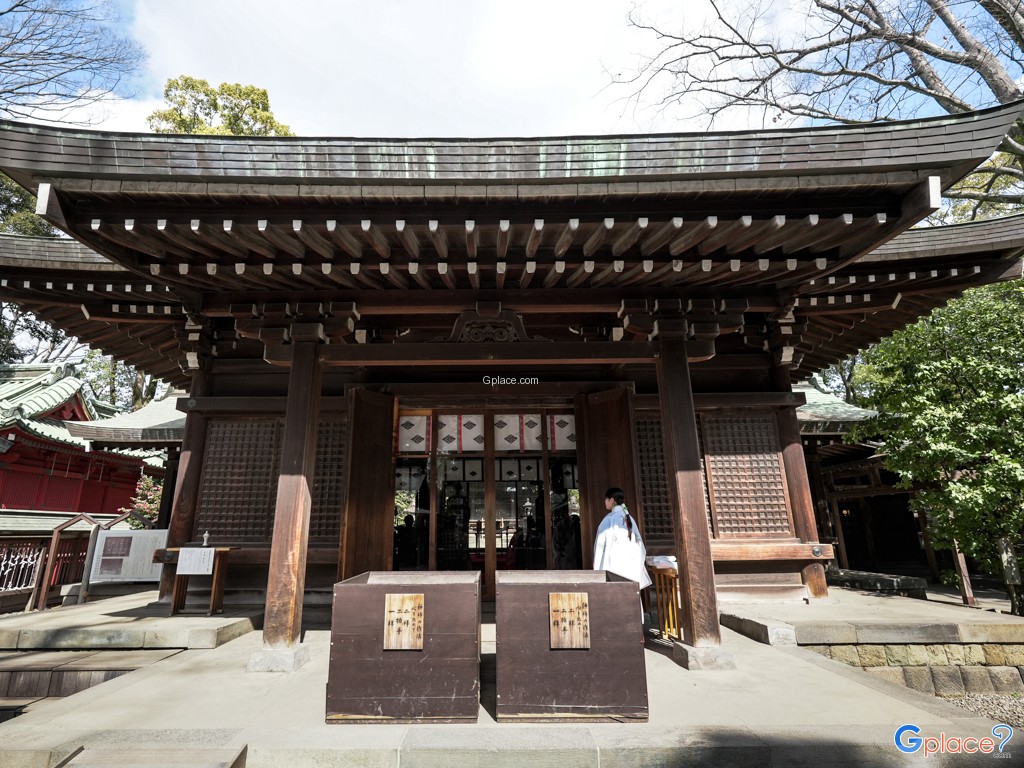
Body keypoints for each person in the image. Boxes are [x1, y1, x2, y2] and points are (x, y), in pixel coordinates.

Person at [593, 487, 652, 589]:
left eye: (606, 499)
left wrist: (597, 562)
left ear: (611, 500)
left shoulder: (608, 520)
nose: (605, 502)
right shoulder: (629, 518)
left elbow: (600, 545)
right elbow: (639, 546)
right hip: (629, 566)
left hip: (612, 566)